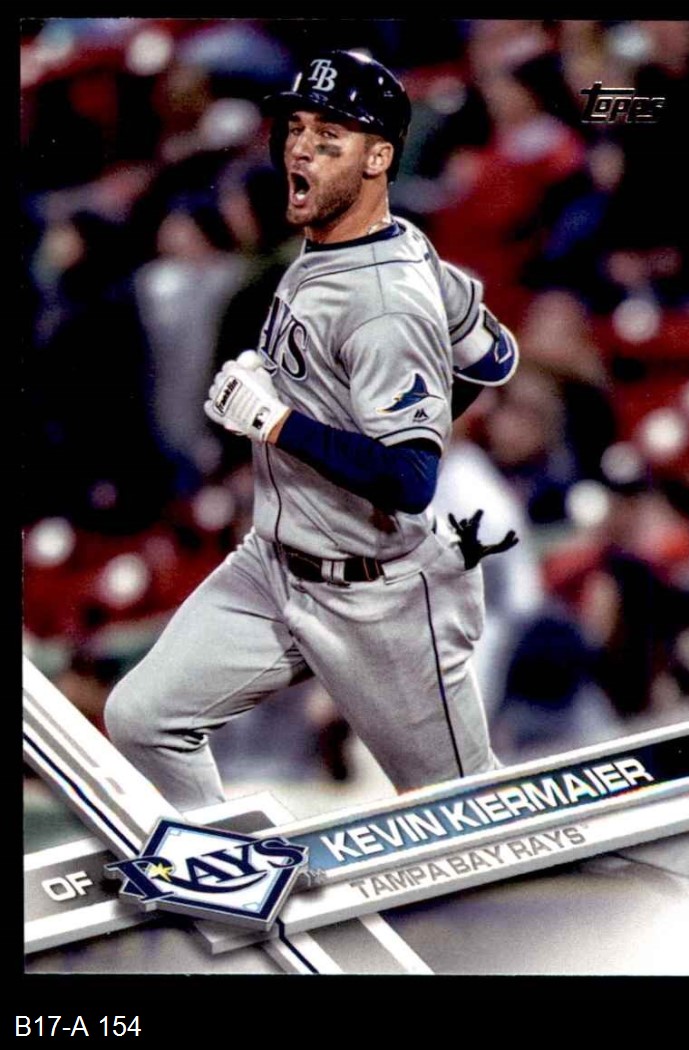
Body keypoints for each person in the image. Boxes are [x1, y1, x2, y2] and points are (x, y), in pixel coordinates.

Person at [104, 50, 519, 809]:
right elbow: (493, 353)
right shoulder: (370, 246)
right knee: (143, 719)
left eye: (329, 136)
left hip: (376, 596)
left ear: (378, 158)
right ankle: (236, 868)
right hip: (274, 567)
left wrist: (278, 422)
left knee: (465, 816)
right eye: (296, 127)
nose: (300, 147)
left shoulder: (386, 302)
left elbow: (410, 479)